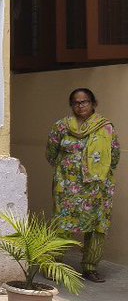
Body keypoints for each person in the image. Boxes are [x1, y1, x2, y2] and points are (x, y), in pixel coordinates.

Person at [47, 88, 120, 282]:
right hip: (67, 186)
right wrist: (68, 171)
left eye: (84, 102)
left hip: (96, 187)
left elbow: (114, 156)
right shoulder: (61, 126)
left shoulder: (105, 127)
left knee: (96, 227)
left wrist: (95, 172)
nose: (80, 106)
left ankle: (90, 267)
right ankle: (54, 266)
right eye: (76, 103)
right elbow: (51, 154)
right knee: (61, 225)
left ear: (93, 103)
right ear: (71, 105)